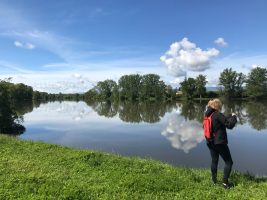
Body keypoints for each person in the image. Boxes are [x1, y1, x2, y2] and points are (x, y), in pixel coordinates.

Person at [205, 98, 237, 189]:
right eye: (220, 105)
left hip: (210, 142)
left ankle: (214, 181)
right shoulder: (218, 114)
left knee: (214, 161)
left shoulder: (208, 115)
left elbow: (221, 120)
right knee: (229, 162)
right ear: (218, 106)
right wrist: (234, 117)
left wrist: (228, 116)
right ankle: (225, 183)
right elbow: (229, 125)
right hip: (219, 143)